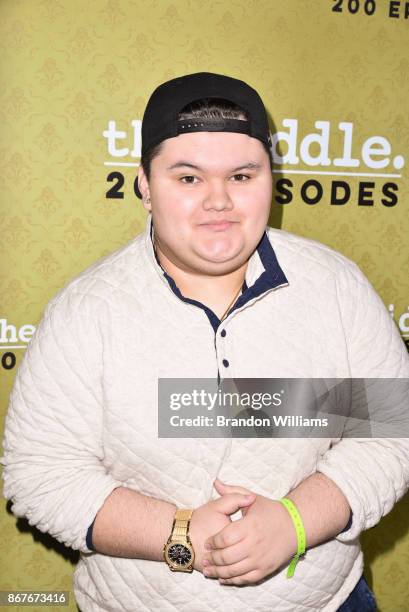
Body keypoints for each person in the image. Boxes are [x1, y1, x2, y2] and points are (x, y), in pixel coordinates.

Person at [1, 71, 408, 612]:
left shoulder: (335, 285)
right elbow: (40, 473)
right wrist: (181, 534)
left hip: (327, 601)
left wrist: (295, 522)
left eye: (242, 175)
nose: (219, 201)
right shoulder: (86, 311)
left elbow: (392, 431)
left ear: (271, 177)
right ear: (144, 184)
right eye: (188, 178)